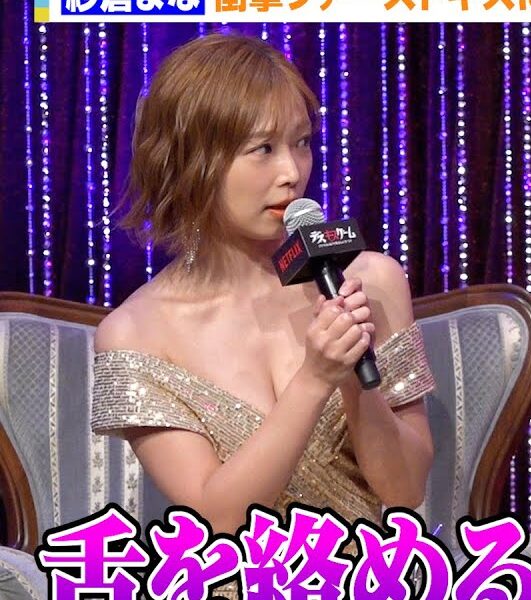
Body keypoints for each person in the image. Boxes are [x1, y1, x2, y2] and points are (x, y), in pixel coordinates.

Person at [90, 33, 435, 552]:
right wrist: (314, 379)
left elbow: (405, 491)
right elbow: (215, 525)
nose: (292, 173)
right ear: (191, 161)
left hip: (367, 576)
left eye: (302, 142)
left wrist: (354, 383)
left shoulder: (371, 280)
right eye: (263, 149)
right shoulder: (136, 333)